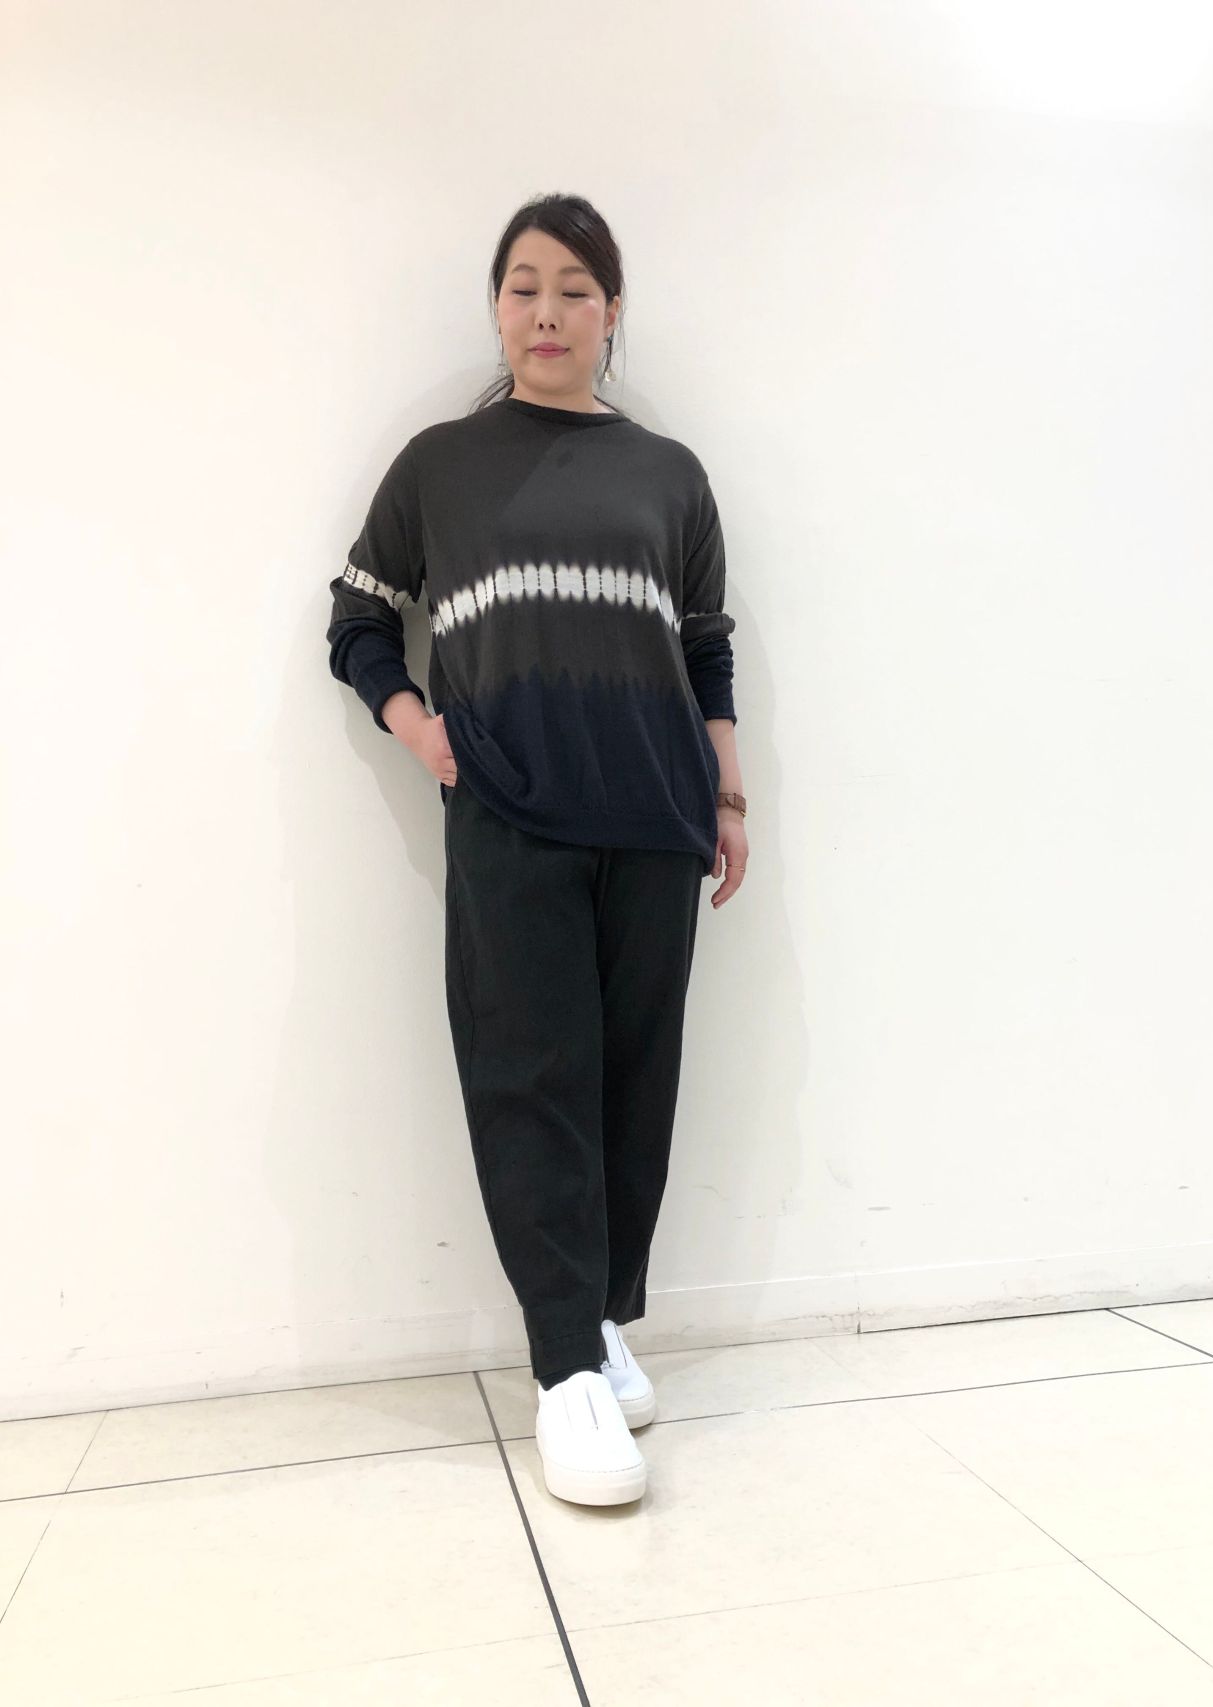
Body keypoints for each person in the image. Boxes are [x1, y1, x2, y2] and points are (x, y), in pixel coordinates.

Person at [325, 193, 749, 1506]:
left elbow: (705, 647)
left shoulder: (670, 475)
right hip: (511, 815)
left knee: (633, 1085)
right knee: (531, 1082)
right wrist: (415, 726)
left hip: (656, 818)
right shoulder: (441, 467)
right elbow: (357, 619)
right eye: (524, 286)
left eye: (575, 289)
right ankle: (564, 1369)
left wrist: (729, 797)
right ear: (497, 307)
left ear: (612, 313)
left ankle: (603, 1318)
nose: (548, 311)